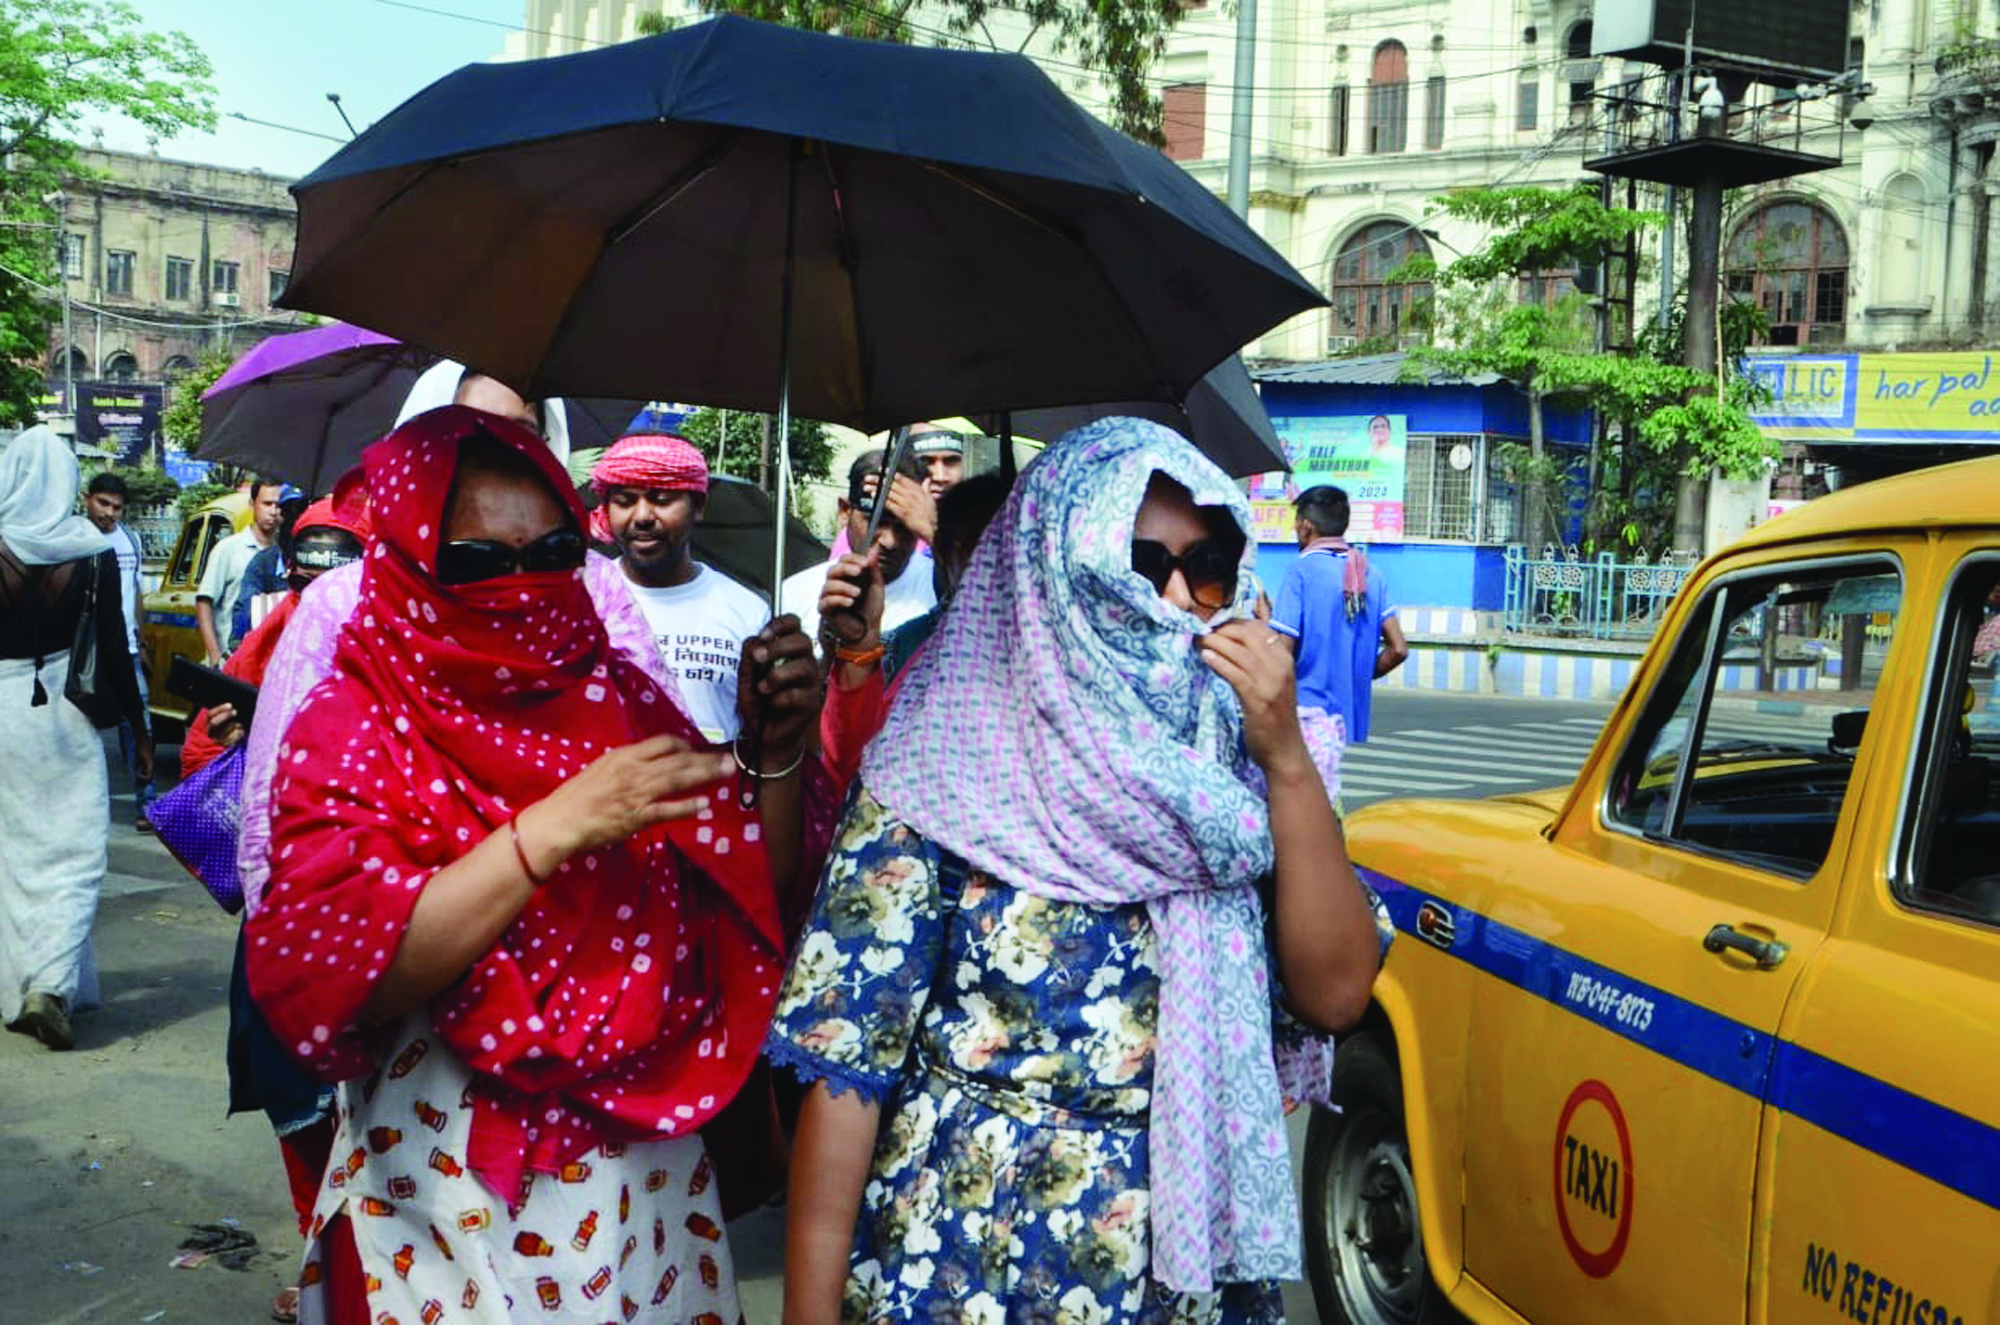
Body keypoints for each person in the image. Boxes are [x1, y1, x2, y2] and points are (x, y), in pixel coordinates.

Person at [768, 417, 1391, 1323]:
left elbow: (1335, 994)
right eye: (1140, 567)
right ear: (1059, 571)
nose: (1178, 598)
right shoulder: (944, 759)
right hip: (968, 1257)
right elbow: (845, 1068)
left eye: (1207, 563)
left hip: (1182, 1273)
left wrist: (1287, 756)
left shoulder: (1243, 762)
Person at [246, 407, 821, 1323]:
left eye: (549, 551)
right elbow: (345, 974)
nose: (521, 583)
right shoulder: (354, 723)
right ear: (406, 563)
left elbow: (743, 888)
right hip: (441, 1175)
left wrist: (775, 749)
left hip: (638, 1174)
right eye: (478, 559)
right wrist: (547, 834)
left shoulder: (622, 696)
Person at [235, 377, 613, 919]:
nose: (498, 451)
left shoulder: (595, 590)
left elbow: (651, 793)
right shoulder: (342, 602)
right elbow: (272, 808)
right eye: (468, 430)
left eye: (522, 434)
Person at [175, 493, 369, 1325]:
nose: (321, 572)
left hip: (382, 900)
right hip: (285, 898)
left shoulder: (402, 627)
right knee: (293, 1093)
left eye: (340, 554)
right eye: (308, 555)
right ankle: (320, 1255)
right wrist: (231, 731)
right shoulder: (276, 627)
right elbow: (195, 753)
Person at [0, 427, 152, 1051]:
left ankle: (28, 986)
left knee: (14, 856)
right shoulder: (90, 551)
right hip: (68, 713)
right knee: (77, 852)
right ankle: (51, 986)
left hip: (3, 714)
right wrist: (140, 731)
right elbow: (115, 650)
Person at [817, 472, 1010, 794]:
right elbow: (852, 773)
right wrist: (856, 649)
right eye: (976, 548)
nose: (994, 565)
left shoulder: (1076, 657)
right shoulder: (905, 650)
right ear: (948, 555)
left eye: (1008, 546)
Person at [591, 429, 770, 743]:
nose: (643, 516)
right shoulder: (584, 599)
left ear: (698, 506)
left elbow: (763, 733)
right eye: (625, 501)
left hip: (716, 787)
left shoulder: (748, 611)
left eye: (662, 500)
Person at [1272, 485, 1407, 745]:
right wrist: (1352, 674)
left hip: (1305, 715)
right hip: (1349, 718)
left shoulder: (1300, 572)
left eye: (1296, 523)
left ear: (1306, 527)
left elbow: (1282, 650)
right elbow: (1398, 648)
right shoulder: (1371, 574)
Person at [781, 448, 934, 648]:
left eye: (904, 526)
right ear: (845, 511)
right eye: (876, 522)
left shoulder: (944, 590)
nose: (890, 541)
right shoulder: (795, 593)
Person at [83, 471, 157, 832]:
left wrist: (140, 641)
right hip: (84, 654)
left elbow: (136, 593)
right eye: (103, 503)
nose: (109, 513)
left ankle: (148, 803)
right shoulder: (75, 541)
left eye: (117, 507)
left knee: (139, 726)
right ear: (87, 499)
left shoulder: (131, 540)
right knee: (84, 728)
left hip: (126, 650)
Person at [197, 477, 282, 663]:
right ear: (252, 504)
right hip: (230, 659)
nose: (273, 511)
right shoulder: (228, 549)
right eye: (267, 504)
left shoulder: (286, 555)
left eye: (278, 505)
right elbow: (204, 602)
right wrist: (214, 655)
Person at [232, 489, 309, 643]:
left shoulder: (322, 562)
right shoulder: (263, 562)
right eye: (287, 512)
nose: (294, 521)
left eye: (301, 511)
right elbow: (244, 618)